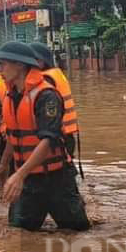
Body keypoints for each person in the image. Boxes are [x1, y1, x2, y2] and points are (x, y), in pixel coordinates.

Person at [0, 41, 90, 232]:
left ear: (20, 65)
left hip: (56, 178)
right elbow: (15, 134)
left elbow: (49, 139)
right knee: (19, 233)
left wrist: (19, 175)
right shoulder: (12, 95)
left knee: (76, 233)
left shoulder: (46, 96)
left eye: (3, 64)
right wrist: (4, 164)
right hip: (28, 180)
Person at [29, 42, 83, 177]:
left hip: (58, 135)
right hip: (65, 133)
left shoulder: (45, 79)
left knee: (61, 174)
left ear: (40, 61)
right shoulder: (56, 73)